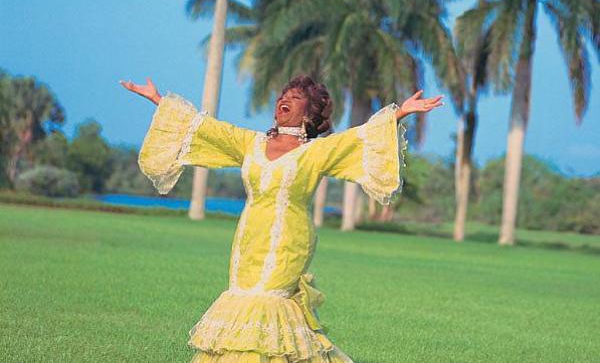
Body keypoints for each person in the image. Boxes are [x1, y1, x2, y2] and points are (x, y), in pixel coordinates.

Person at [120, 75, 443, 362]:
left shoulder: (317, 152)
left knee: (268, 303)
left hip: (289, 241)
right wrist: (158, 100)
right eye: (282, 95)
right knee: (243, 303)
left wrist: (400, 111)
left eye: (295, 96)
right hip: (248, 240)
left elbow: (357, 138)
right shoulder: (251, 143)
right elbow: (206, 128)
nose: (283, 100)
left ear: (310, 111)